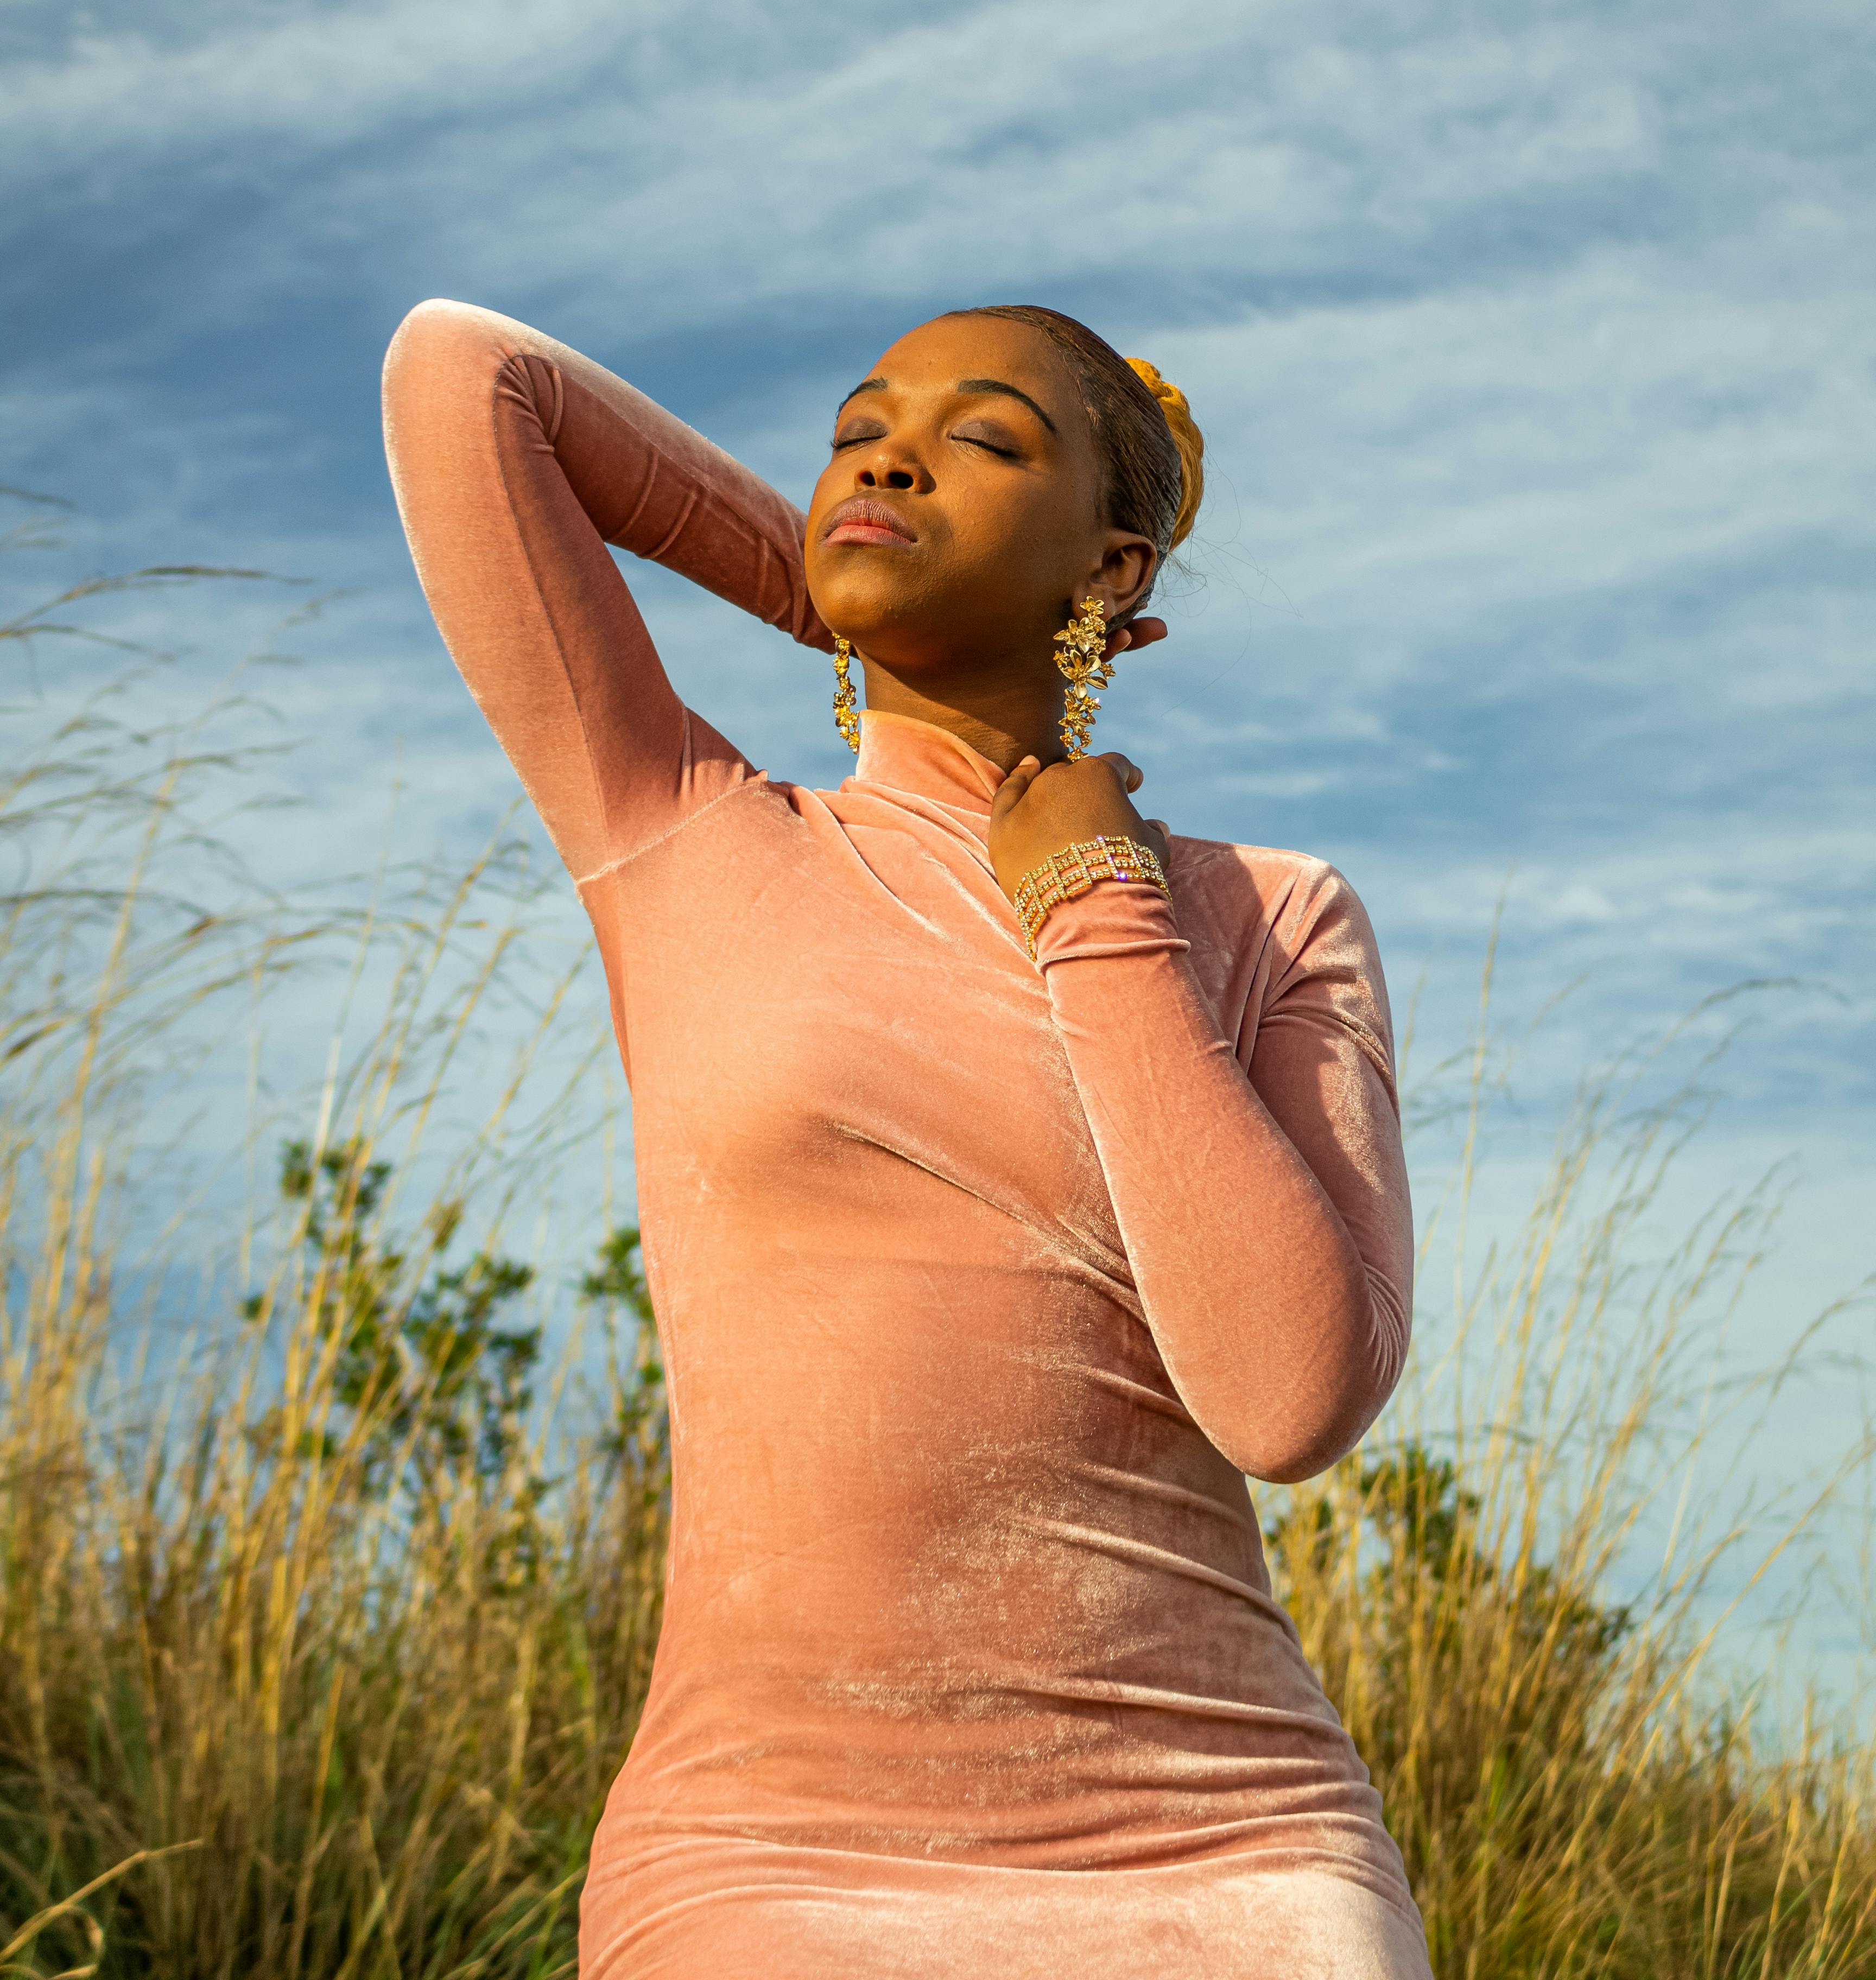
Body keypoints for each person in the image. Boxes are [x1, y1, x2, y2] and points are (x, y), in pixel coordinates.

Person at [383, 295, 1430, 1980]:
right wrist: (836, 588)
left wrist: (1095, 903)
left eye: (987, 439)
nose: (888, 452)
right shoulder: (684, 835)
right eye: (860, 431)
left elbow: (1290, 1395)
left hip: (1222, 1846)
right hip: (765, 1854)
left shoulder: (1267, 916)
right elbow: (465, 376)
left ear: (1112, 571)